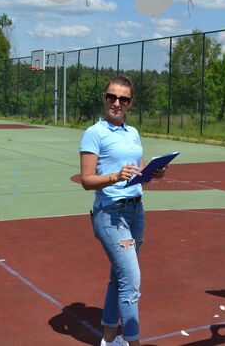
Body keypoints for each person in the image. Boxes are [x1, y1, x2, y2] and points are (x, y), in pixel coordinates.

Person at [79, 76, 167, 346]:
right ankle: (132, 341)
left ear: (130, 103)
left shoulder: (133, 133)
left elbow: (138, 173)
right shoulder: (94, 133)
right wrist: (116, 177)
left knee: (119, 276)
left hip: (135, 211)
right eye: (112, 97)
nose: (117, 103)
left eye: (123, 99)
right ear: (104, 98)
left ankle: (109, 337)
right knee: (131, 281)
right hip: (110, 214)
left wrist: (154, 172)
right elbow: (86, 180)